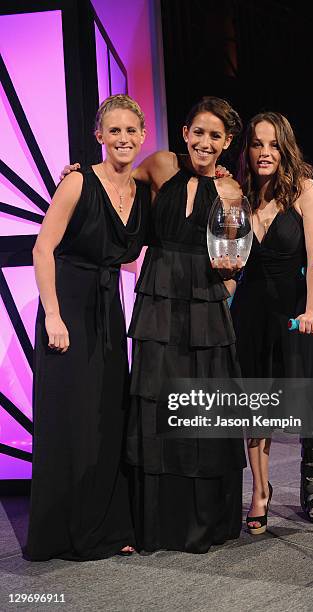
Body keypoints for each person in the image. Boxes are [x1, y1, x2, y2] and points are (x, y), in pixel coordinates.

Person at [26, 94, 151, 561]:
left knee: (106, 417)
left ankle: (106, 525)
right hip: (69, 308)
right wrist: (53, 314)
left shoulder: (141, 188)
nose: (122, 139)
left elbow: (132, 257)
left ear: (142, 137)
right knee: (71, 419)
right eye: (113, 131)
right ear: (100, 136)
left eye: (130, 131)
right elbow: (43, 249)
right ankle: (62, 533)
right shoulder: (77, 182)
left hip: (107, 313)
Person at [125, 97, 246, 553]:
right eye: (199, 132)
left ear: (227, 142)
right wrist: (73, 175)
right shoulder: (159, 165)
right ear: (185, 133)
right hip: (159, 298)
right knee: (157, 401)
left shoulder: (233, 191)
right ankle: (155, 523)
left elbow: (233, 260)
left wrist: (219, 297)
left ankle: (203, 523)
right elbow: (114, 186)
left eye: (215, 136)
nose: (205, 142)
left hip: (204, 304)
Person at [229, 112, 313, 533]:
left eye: (273, 144)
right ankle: (260, 490)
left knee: (308, 395)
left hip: (298, 310)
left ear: (286, 148)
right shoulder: (237, 193)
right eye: (257, 144)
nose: (265, 152)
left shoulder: (305, 191)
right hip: (251, 311)